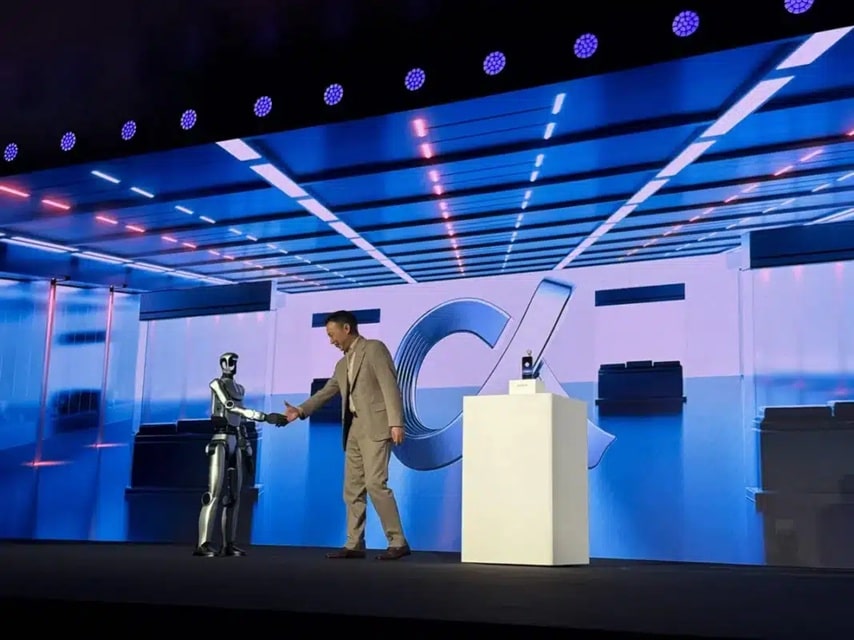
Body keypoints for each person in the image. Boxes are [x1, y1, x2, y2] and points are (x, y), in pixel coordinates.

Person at [283, 310, 411, 561]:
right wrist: (300, 410)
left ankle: (398, 541)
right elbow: (327, 392)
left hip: (376, 425)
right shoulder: (342, 364)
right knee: (352, 489)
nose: (331, 340)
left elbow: (389, 385)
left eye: (332, 335)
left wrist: (396, 423)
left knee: (375, 484)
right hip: (353, 429)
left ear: (346, 328)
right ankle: (354, 544)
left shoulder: (374, 349)